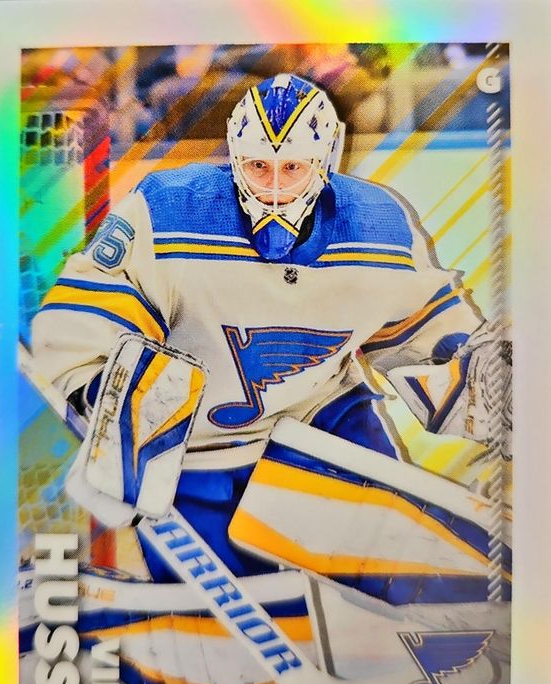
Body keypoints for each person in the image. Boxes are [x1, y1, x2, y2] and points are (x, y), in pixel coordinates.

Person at [32, 73, 488, 587]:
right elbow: (86, 316)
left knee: (397, 578)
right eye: (257, 167)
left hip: (319, 420)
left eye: (291, 167)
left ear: (325, 162)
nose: (272, 188)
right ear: (234, 157)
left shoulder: (379, 225)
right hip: (194, 446)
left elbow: (423, 331)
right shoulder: (167, 210)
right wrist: (102, 399)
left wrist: (475, 373)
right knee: (225, 617)